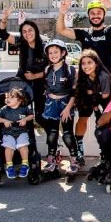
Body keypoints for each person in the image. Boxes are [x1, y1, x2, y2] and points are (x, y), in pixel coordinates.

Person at [61, 49, 111, 174]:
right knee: (82, 119)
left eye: (89, 63)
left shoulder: (103, 76)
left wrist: (92, 95)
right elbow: (75, 93)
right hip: (88, 100)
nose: (86, 66)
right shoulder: (81, 76)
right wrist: (68, 107)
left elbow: (105, 95)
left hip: (105, 102)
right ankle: (79, 151)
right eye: (83, 63)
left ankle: (105, 156)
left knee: (102, 128)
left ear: (96, 63)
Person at [55, 0, 111, 73]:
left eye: (99, 13)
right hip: (86, 79)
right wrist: (62, 12)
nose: (95, 16)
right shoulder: (83, 33)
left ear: (104, 15)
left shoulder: (110, 31)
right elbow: (61, 30)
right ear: (88, 15)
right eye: (92, 13)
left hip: (105, 79)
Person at [0, 11, 48, 117]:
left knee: (40, 116)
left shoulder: (45, 48)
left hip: (41, 85)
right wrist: (5, 18)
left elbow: (52, 68)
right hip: (22, 84)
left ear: (36, 31)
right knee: (18, 113)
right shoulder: (21, 43)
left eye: (30, 30)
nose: (27, 33)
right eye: (24, 31)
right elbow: (1, 34)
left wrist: (36, 75)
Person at [40, 39, 78, 176]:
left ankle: (74, 160)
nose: (53, 55)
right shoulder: (47, 69)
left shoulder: (70, 70)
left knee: (67, 135)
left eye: (56, 52)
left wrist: (68, 108)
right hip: (51, 104)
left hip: (65, 104)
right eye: (50, 53)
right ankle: (51, 159)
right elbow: (46, 86)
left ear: (63, 53)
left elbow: (74, 91)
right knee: (51, 134)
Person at [0, 85, 35, 179]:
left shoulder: (24, 108)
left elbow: (31, 116)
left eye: (11, 97)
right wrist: (4, 121)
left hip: (22, 132)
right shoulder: (4, 109)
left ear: (19, 99)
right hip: (8, 133)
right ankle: (9, 166)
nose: (8, 99)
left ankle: (25, 164)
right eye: (7, 97)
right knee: (9, 147)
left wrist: (25, 119)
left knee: (23, 145)